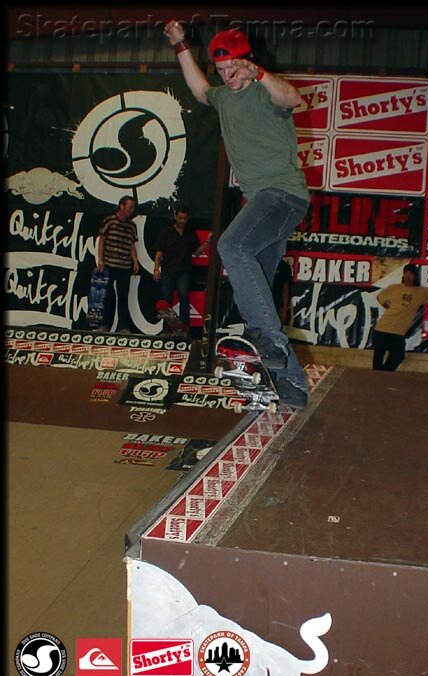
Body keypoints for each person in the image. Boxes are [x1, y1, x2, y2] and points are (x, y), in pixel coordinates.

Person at [164, 21, 310, 408]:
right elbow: (200, 89)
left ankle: (270, 340)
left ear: (247, 62)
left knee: (231, 246)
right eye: (222, 70)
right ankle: (292, 385)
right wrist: (180, 46)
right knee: (255, 283)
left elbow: (293, 97)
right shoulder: (223, 97)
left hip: (283, 196)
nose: (228, 77)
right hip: (263, 203)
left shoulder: (264, 92)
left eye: (234, 68)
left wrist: (258, 73)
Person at [372, 263, 428, 371]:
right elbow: (380, 298)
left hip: (398, 331)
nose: (407, 276)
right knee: (379, 355)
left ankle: (384, 373)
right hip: (383, 327)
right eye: (405, 274)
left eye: (410, 274)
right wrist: (389, 307)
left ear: (415, 276)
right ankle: (377, 376)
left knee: (398, 356)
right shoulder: (394, 288)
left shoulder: (420, 292)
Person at [153, 206, 213, 334]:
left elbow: (196, 252)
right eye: (180, 218)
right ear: (175, 216)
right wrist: (156, 269)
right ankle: (166, 330)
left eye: (184, 218)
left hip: (184, 271)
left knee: (184, 299)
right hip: (167, 270)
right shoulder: (166, 232)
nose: (182, 221)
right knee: (166, 301)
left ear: (187, 218)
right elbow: (159, 252)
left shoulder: (190, 233)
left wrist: (207, 243)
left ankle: (184, 329)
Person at [96, 195, 139, 333]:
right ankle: (105, 325)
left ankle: (123, 326)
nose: (132, 210)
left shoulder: (132, 225)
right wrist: (100, 259)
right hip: (109, 263)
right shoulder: (109, 220)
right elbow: (102, 240)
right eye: (130, 207)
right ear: (122, 206)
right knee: (108, 296)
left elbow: (132, 245)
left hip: (124, 266)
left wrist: (135, 261)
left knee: (123, 297)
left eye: (133, 208)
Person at [272, 258, 293, 325]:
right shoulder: (259, 262)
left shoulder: (284, 266)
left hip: (275, 306)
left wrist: (284, 311)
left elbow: (285, 289)